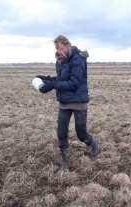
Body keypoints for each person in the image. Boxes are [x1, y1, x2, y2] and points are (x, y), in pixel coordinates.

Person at [36, 35, 99, 171]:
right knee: (61, 131)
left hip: (78, 101)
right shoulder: (60, 61)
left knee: (81, 133)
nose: (58, 50)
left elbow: (74, 83)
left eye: (60, 47)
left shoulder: (78, 59)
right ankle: (65, 161)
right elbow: (60, 79)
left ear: (67, 45)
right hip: (64, 102)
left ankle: (92, 143)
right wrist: (46, 80)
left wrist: (53, 85)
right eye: (56, 48)